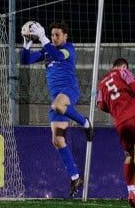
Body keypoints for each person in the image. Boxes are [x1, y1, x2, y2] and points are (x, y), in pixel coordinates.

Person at [20, 21, 93, 198]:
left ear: (65, 36)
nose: (54, 38)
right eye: (52, 35)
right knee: (57, 140)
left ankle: (85, 123)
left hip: (69, 91)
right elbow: (25, 61)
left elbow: (59, 57)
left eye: (57, 35)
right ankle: (76, 177)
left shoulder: (69, 48)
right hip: (56, 97)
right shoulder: (47, 49)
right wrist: (27, 44)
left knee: (58, 106)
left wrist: (43, 39)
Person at [97, 58, 135, 208]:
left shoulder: (101, 83)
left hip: (120, 122)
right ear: (124, 66)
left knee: (129, 155)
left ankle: (131, 192)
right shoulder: (124, 72)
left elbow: (101, 105)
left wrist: (115, 109)